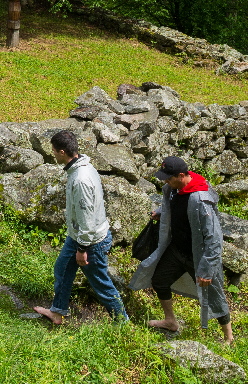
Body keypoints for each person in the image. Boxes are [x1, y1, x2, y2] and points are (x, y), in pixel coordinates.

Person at [129, 156, 233, 344]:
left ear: (182, 175)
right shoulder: (174, 189)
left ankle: (228, 337)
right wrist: (162, 213)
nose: (165, 182)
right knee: (159, 280)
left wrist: (207, 269)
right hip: (177, 250)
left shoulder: (201, 199)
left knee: (214, 294)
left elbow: (215, 238)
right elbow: (175, 206)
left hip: (198, 256)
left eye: (168, 178)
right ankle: (170, 322)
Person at [33, 130, 129, 325]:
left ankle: (123, 323)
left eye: (53, 150)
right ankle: (57, 312)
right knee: (62, 269)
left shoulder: (80, 179)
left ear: (62, 152)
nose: (52, 153)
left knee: (101, 284)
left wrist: (82, 249)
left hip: (90, 241)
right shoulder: (81, 167)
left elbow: (87, 218)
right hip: (78, 236)